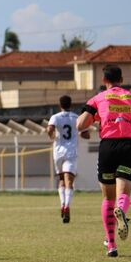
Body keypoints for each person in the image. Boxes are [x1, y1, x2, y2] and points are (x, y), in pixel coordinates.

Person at [77, 65, 131, 258]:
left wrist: (97, 117)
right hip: (128, 147)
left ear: (103, 80)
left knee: (107, 198)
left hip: (107, 147)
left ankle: (111, 245)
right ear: (122, 78)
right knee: (123, 192)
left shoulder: (98, 98)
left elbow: (80, 124)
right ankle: (122, 210)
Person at [46, 95, 90, 223]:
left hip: (58, 152)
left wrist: (52, 136)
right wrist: (83, 134)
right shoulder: (76, 118)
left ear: (60, 105)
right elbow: (85, 134)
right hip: (71, 152)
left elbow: (50, 129)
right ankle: (67, 205)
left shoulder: (55, 117)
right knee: (69, 181)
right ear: (71, 105)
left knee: (61, 180)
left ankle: (62, 204)